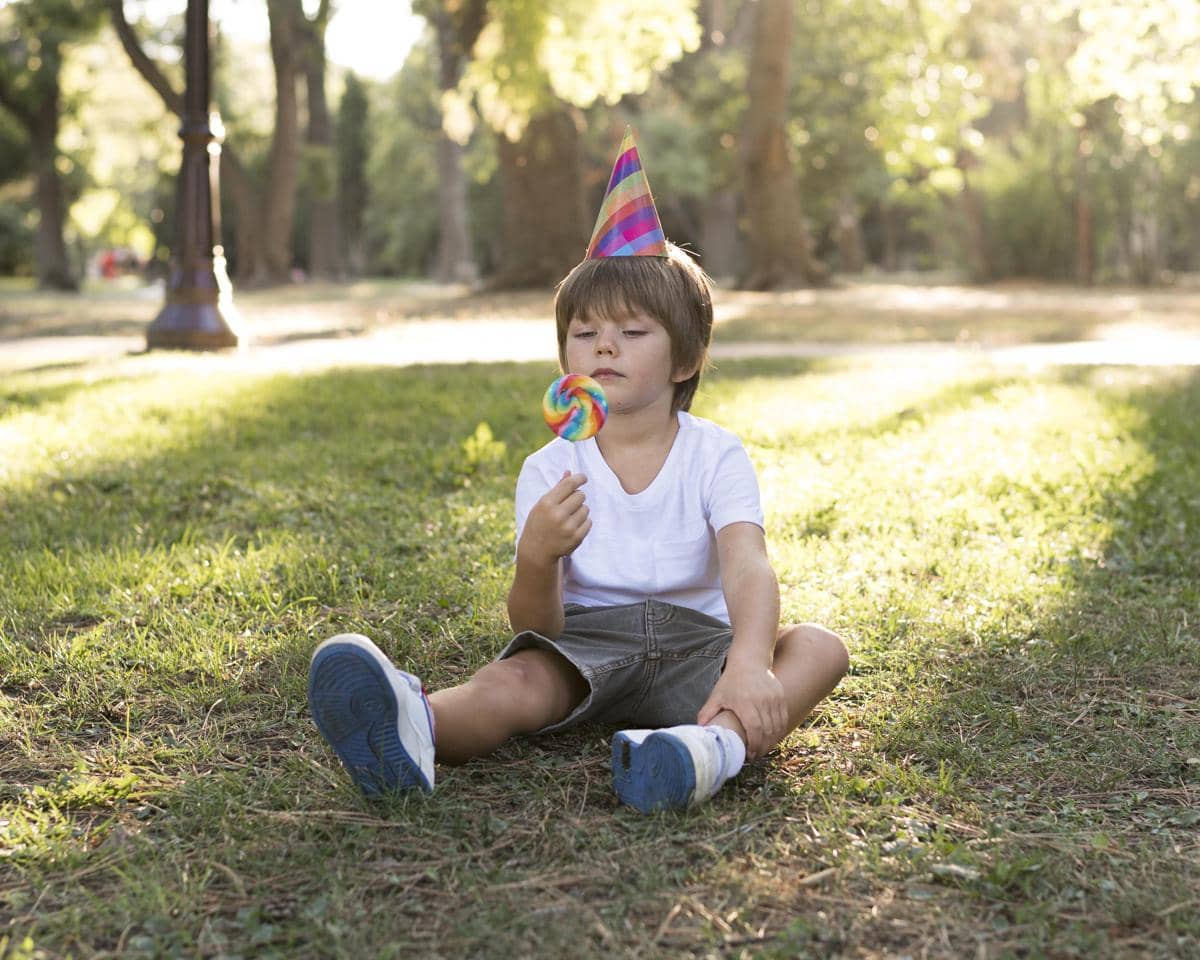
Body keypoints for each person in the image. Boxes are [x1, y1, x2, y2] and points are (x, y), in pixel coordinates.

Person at [307, 129, 849, 812]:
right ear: (566, 358)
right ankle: (418, 726)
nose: (605, 346)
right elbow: (537, 622)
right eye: (585, 333)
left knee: (818, 648)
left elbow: (747, 568)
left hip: (700, 646)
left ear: (685, 360)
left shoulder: (715, 453)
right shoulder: (551, 468)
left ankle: (708, 750)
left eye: (633, 331)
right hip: (587, 643)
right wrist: (537, 557)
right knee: (512, 681)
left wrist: (746, 663)